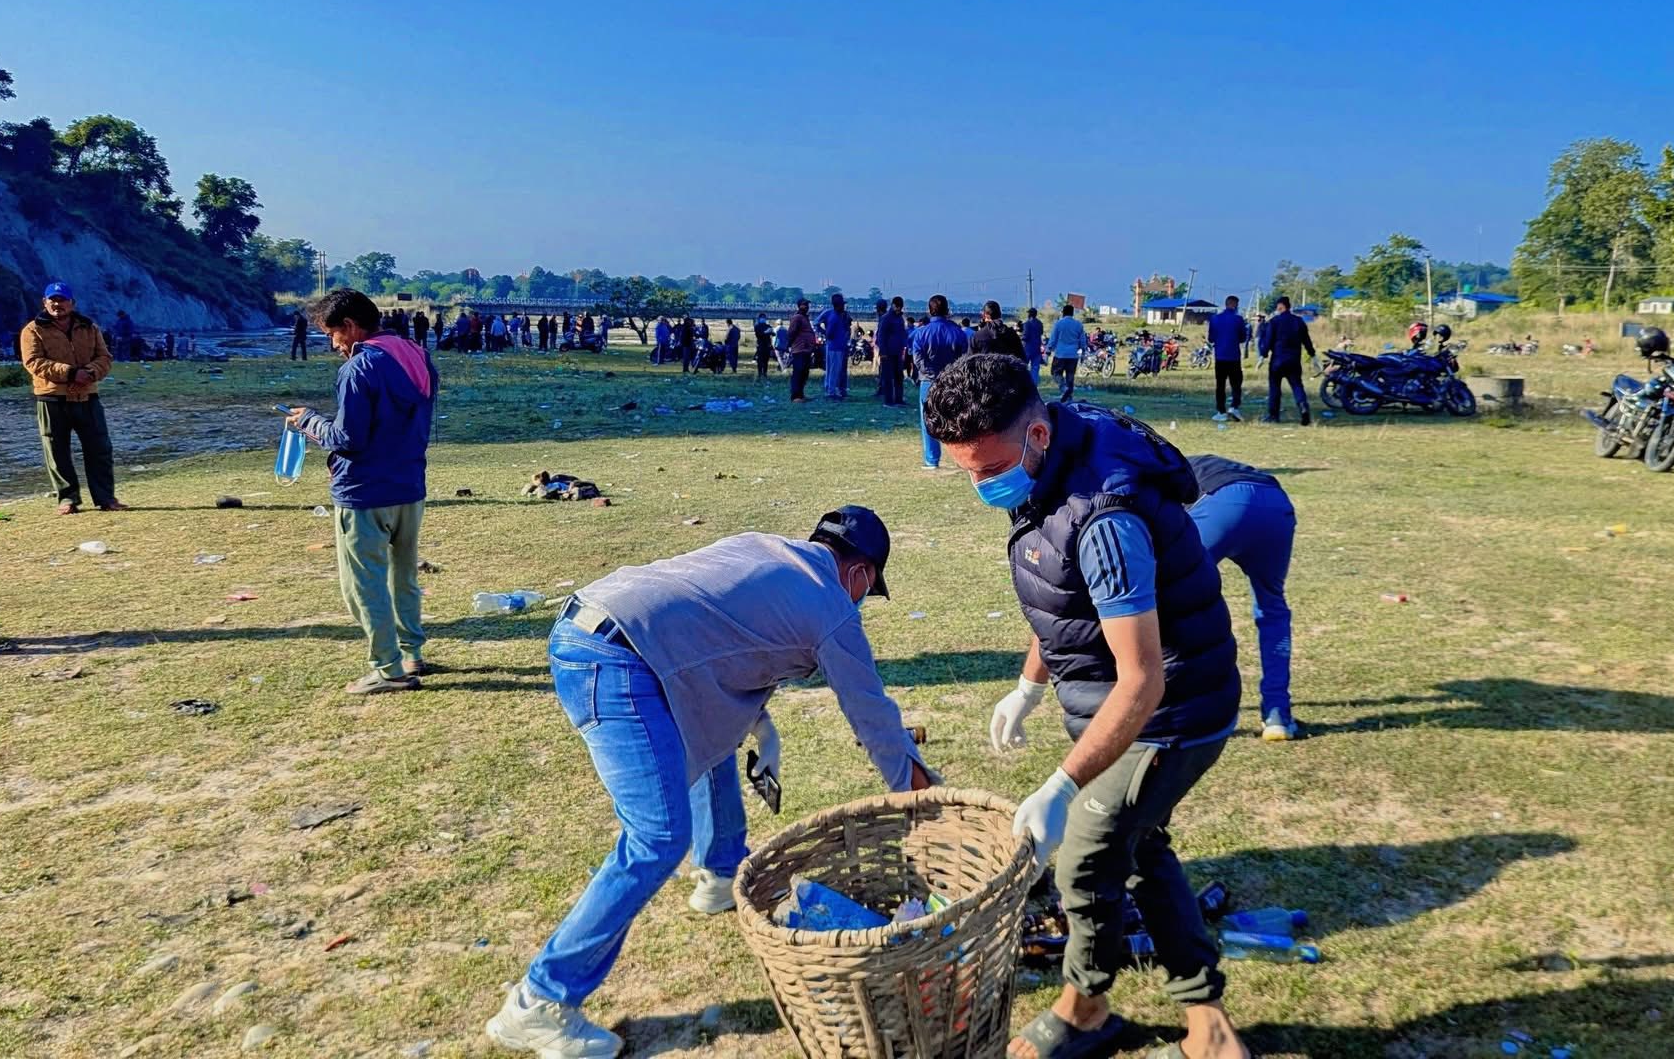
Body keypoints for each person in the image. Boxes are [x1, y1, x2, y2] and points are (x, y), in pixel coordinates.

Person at [486, 507, 934, 1058]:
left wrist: (758, 724)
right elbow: (874, 719)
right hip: (615, 661)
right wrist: (924, 801)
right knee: (656, 837)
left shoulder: (766, 549)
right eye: (867, 590)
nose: (861, 601)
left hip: (596, 625)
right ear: (861, 574)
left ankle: (722, 872)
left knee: (709, 739)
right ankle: (539, 1001)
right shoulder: (832, 605)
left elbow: (711, 645)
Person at [927, 355, 1248, 1059]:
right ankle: (1209, 1023)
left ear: (1038, 434)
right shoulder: (1052, 466)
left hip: (1172, 712)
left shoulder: (1106, 518)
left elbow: (1143, 680)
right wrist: (1028, 686)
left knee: (1085, 855)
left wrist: (1063, 784)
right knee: (1137, 847)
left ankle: (1084, 1009)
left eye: (990, 469)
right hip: (1131, 700)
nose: (982, 486)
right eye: (967, 472)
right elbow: (1067, 602)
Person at [287, 290, 440, 695]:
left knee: (364, 585)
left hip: (364, 492)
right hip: (409, 487)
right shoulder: (418, 356)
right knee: (403, 576)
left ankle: (388, 669)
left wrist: (310, 421)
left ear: (350, 326)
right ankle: (412, 652)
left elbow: (347, 438)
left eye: (332, 334)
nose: (333, 345)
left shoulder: (359, 368)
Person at [1186, 455, 1299, 739]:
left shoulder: (1154, 476)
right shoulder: (1184, 462)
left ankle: (1185, 713)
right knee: (1272, 607)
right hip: (1275, 503)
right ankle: (1278, 714)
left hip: (1222, 503)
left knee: (1173, 600)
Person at [21, 282, 121, 515]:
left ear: (72, 303)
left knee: (100, 448)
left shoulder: (89, 327)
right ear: (44, 303)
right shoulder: (32, 330)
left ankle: (106, 498)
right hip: (51, 398)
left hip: (88, 396)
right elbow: (33, 362)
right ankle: (67, 499)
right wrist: (71, 373)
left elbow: (104, 357)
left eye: (62, 300)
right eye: (53, 300)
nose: (58, 304)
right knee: (56, 451)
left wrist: (90, 373)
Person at [909, 295, 970, 470]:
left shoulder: (922, 333)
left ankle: (931, 459)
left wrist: (929, 373)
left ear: (929, 311)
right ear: (947, 311)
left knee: (928, 420)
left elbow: (917, 358)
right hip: (952, 381)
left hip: (929, 381)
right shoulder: (958, 332)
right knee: (956, 419)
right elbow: (964, 358)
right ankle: (961, 457)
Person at [1256, 297, 1317, 425]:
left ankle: (1273, 415)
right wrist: (1312, 355)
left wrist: (1263, 355)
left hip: (1277, 360)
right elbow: (1306, 340)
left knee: (1275, 388)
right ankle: (1303, 406)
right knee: (1297, 386)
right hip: (1294, 360)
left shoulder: (1274, 322)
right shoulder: (1298, 321)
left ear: (1280, 307)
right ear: (1289, 307)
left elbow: (1268, 340)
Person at [1206, 295, 1249, 421]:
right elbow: (1243, 338)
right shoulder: (1238, 319)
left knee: (1220, 385)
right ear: (1235, 305)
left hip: (1220, 356)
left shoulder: (1215, 319)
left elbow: (1211, 338)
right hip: (1234, 356)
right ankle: (1234, 406)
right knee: (1236, 384)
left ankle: (1221, 411)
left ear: (1226, 304)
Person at [1048, 303, 1087, 403]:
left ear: (1063, 313)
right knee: (1070, 375)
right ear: (1072, 313)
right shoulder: (1078, 324)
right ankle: (1069, 397)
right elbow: (1082, 340)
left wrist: (1049, 349)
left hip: (1060, 354)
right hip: (1073, 355)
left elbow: (1053, 339)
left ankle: (1063, 387)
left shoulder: (1058, 324)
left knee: (1055, 372)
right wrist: (1083, 351)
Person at [818, 293, 852, 400]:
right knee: (834, 370)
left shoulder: (837, 315)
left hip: (834, 346)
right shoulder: (835, 317)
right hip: (836, 346)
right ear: (838, 305)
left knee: (832, 370)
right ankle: (831, 392)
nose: (843, 307)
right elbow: (829, 333)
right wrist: (826, 333)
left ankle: (830, 389)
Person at [877, 297, 909, 406]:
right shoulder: (886, 318)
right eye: (897, 307)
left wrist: (904, 346)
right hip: (887, 353)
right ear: (893, 305)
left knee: (899, 376)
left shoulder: (900, 319)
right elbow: (881, 336)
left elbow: (903, 334)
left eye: (900, 307)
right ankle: (888, 401)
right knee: (888, 378)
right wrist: (883, 352)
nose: (899, 309)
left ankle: (899, 399)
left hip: (898, 352)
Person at [786, 298, 816, 402]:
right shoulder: (797, 318)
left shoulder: (805, 318)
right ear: (799, 306)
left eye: (807, 305)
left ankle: (801, 394)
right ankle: (795, 396)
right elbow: (791, 333)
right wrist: (788, 345)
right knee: (798, 373)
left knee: (804, 373)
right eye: (804, 305)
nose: (806, 307)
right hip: (799, 349)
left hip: (806, 349)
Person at [1022, 307, 1045, 385]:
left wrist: (1021, 337)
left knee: (1023, 366)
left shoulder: (1027, 324)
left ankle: (1024, 383)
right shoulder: (1040, 323)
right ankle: (1033, 384)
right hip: (1037, 348)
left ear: (1029, 314)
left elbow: (1025, 336)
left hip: (1027, 349)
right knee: (1035, 368)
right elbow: (1041, 333)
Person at [753, 313, 773, 379]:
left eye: (764, 318)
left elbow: (773, 334)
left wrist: (771, 331)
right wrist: (766, 332)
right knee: (760, 360)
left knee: (766, 361)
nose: (763, 319)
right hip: (760, 345)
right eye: (762, 318)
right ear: (759, 319)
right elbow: (759, 334)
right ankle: (759, 373)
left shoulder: (767, 326)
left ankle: (765, 373)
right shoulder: (757, 326)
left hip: (767, 345)